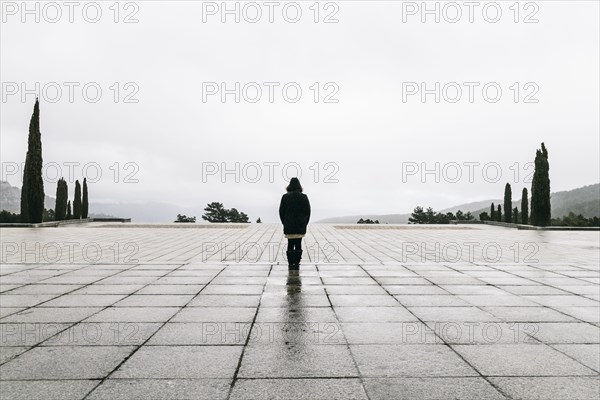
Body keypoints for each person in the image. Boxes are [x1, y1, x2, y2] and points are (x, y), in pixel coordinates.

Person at [279, 177, 311, 269]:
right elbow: (308, 212)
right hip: (300, 225)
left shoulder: (285, 197)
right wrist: (305, 223)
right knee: (298, 244)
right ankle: (296, 263)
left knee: (290, 243)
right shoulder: (304, 197)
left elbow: (281, 212)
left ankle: (290, 263)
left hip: (289, 225)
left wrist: (284, 222)